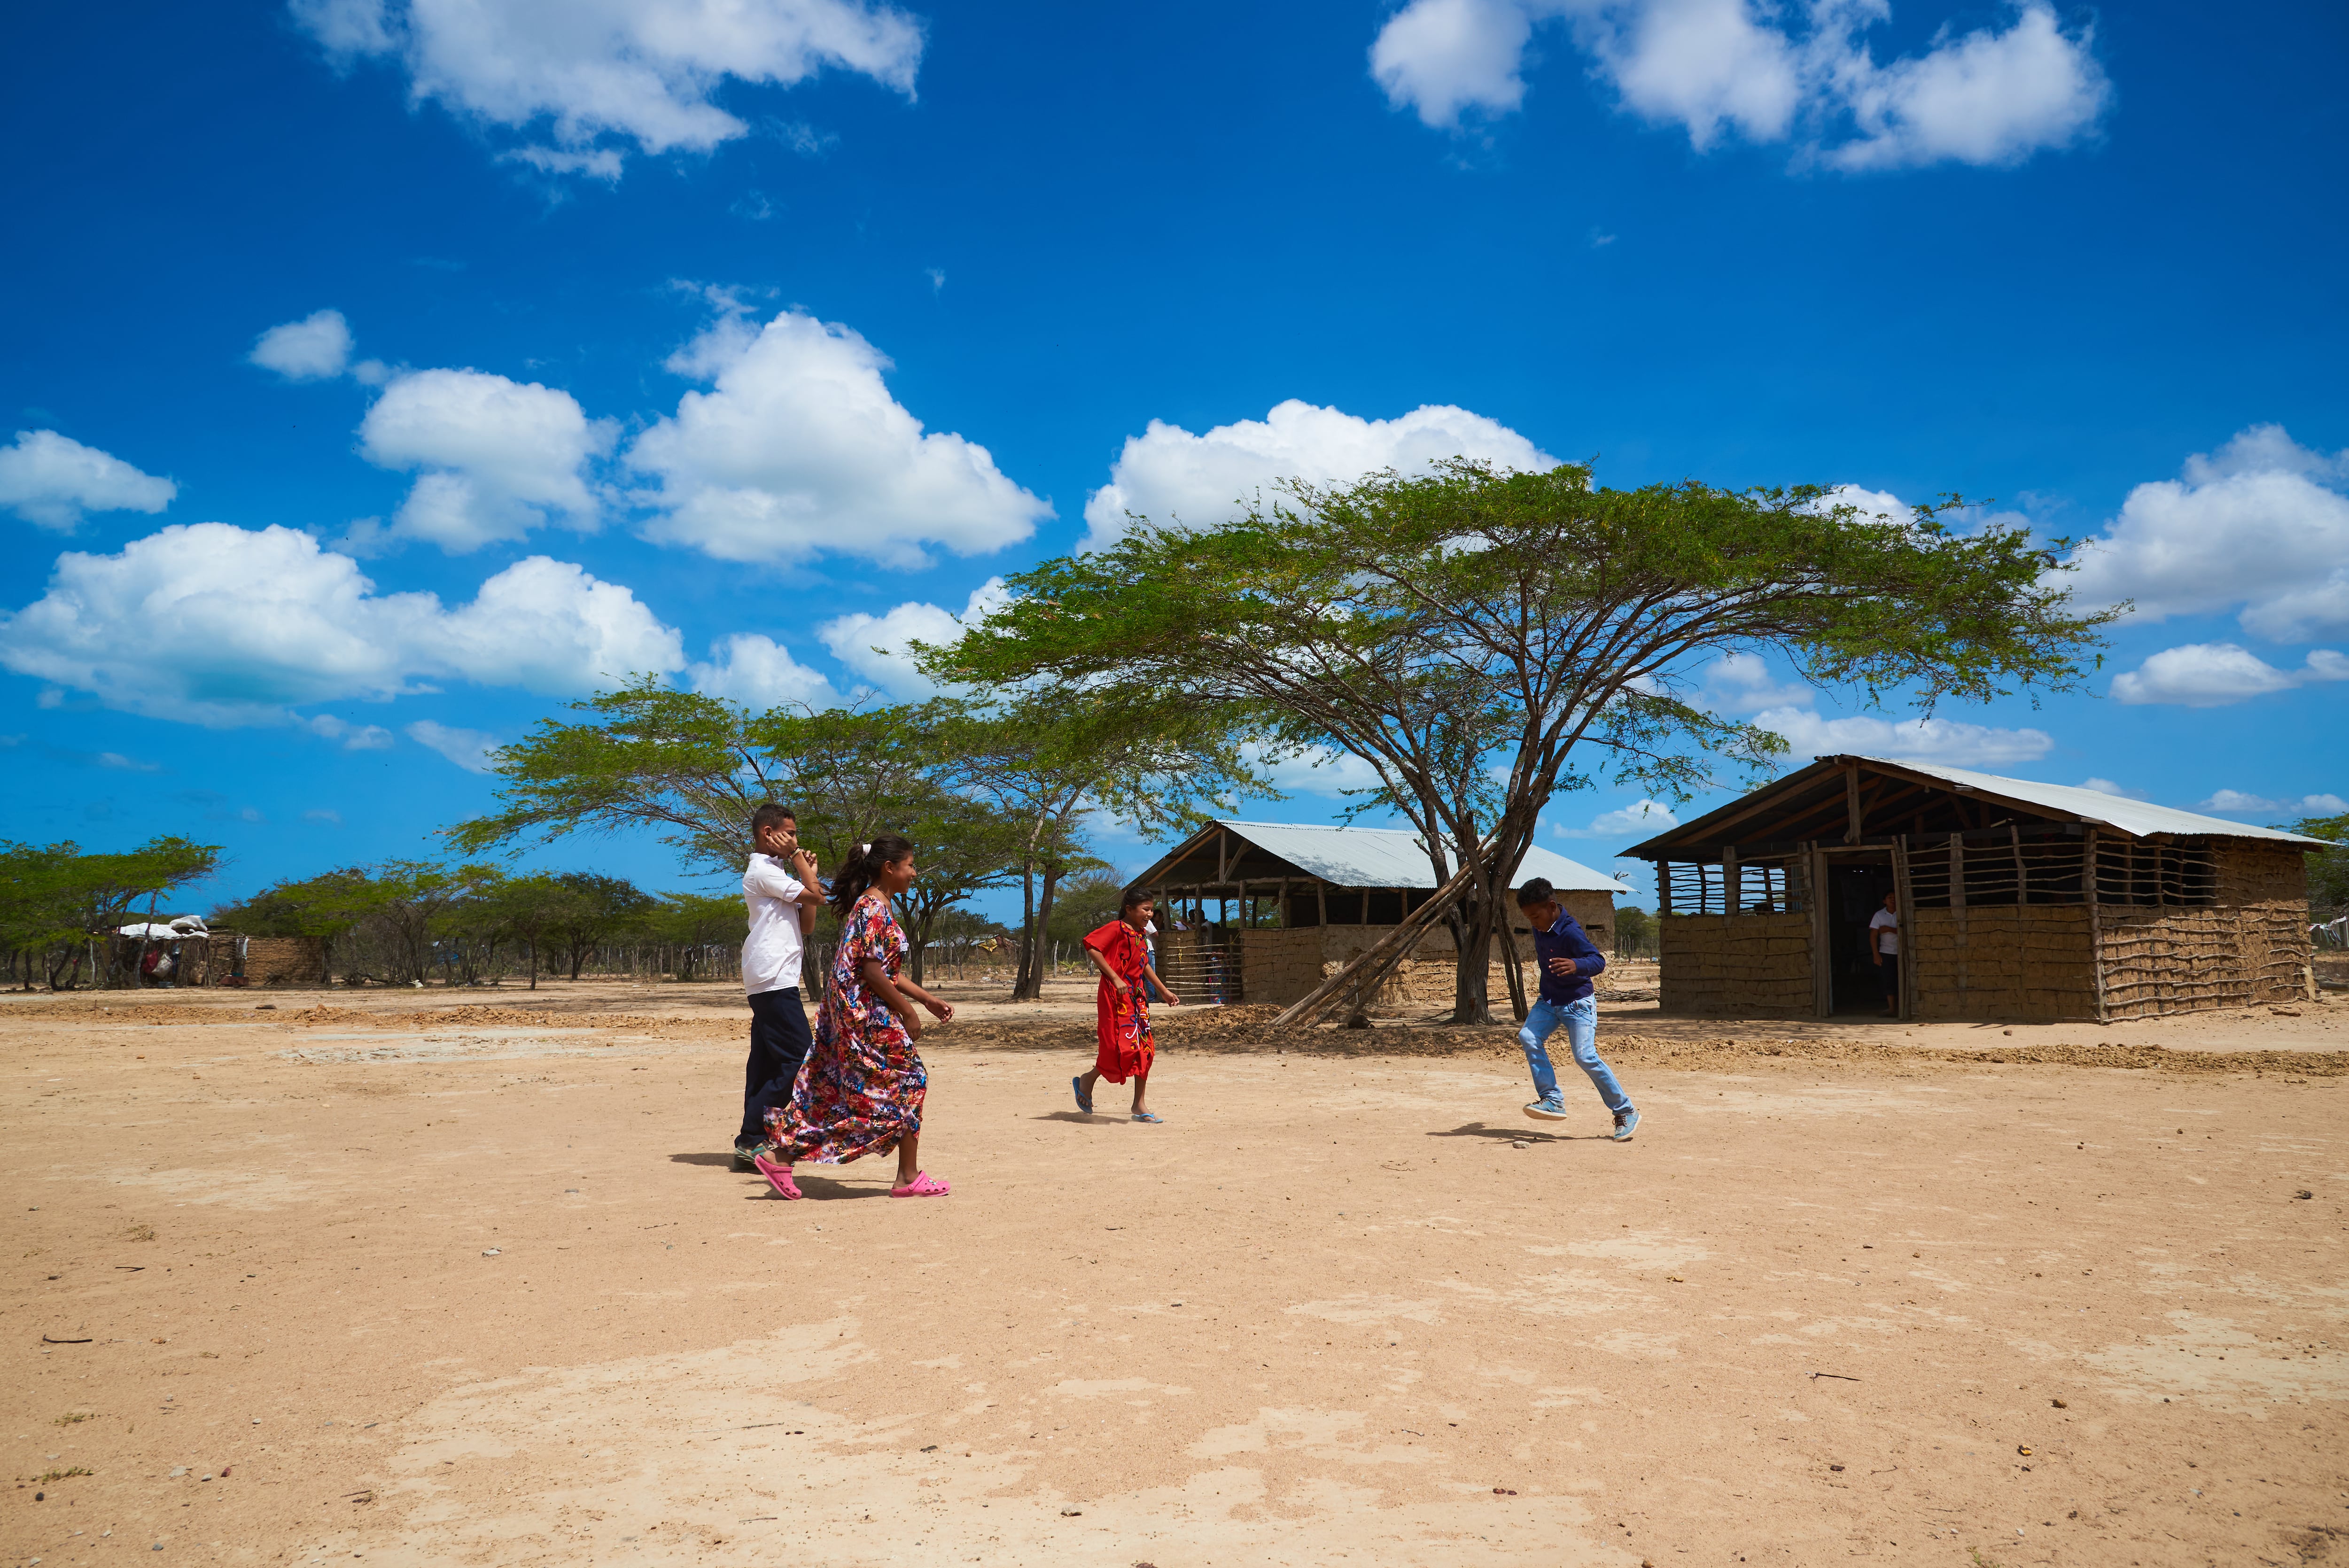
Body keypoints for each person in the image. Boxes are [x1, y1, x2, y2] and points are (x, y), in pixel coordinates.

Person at [755, 835, 955, 1199]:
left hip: (858, 1013)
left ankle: (780, 1155)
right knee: (911, 1081)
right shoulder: (873, 909)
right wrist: (908, 1012)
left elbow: (886, 970)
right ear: (889, 868)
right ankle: (907, 1177)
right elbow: (872, 971)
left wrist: (925, 999)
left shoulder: (874, 906)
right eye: (910, 866)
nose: (914, 873)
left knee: (843, 1095)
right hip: (864, 1016)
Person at [732, 803, 824, 1172]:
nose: (796, 841)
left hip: (774, 976)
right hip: (772, 978)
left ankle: (750, 1140)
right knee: (800, 1058)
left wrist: (807, 872)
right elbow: (818, 897)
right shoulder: (762, 871)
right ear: (768, 833)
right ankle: (755, 1135)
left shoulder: (775, 871)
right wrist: (802, 862)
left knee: (766, 1061)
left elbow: (808, 925)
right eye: (790, 833)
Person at [1515, 878, 1639, 1140]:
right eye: (1529, 918)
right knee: (1528, 1036)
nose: (1533, 923)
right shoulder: (1541, 927)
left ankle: (1625, 1110)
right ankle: (1552, 1099)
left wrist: (1575, 965)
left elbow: (1598, 961)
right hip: (1549, 1001)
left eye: (1536, 916)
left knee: (1585, 1056)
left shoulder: (1570, 931)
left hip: (1577, 1003)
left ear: (1552, 906)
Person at [1072, 888, 1180, 1122]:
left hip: (1137, 998)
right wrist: (1115, 977)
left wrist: (1164, 991)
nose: (1150, 914)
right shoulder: (1116, 929)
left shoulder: (1141, 935)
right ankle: (1087, 1081)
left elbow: (1143, 965)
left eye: (1152, 909)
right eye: (1146, 909)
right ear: (1130, 909)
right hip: (1115, 997)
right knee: (1120, 1047)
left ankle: (1139, 1105)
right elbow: (1092, 946)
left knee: (1145, 1048)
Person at [1868, 889, 1901, 1017]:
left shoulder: (1904, 912)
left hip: (1903, 952)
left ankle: (1903, 1007)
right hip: (1886, 952)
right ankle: (1892, 1009)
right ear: (1884, 901)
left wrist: (1889, 929)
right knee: (1889, 980)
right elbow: (1874, 935)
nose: (1892, 899)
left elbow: (1908, 929)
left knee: (1903, 979)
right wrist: (1876, 954)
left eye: (1894, 897)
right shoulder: (1879, 915)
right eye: (1889, 897)